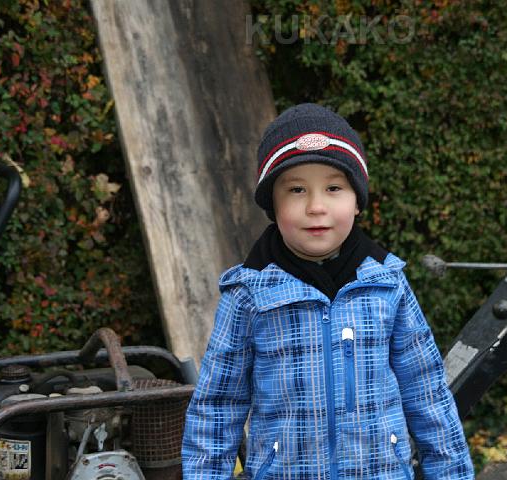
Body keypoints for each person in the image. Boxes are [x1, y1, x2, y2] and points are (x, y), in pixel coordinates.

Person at [182, 103, 474, 479]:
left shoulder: (386, 284)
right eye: (296, 189)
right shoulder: (249, 293)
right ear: (273, 203)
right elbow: (218, 406)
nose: (316, 206)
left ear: (357, 201)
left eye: (334, 188)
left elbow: (427, 393)